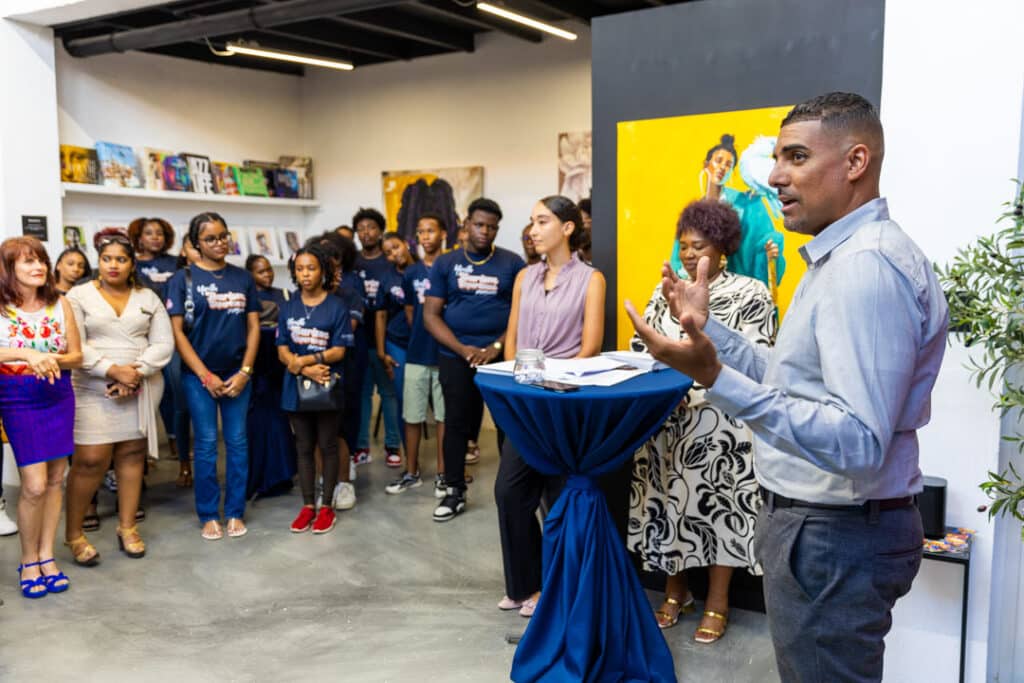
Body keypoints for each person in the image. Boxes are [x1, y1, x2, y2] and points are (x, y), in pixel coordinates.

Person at [626, 92, 949, 682]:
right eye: (777, 158)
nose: (775, 176)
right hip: (830, 531)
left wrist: (714, 377)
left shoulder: (864, 269)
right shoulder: (842, 258)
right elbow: (794, 379)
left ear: (855, 162)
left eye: (796, 157)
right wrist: (713, 331)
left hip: (835, 535)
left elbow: (855, 440)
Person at [627, 199, 776, 641]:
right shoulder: (664, 290)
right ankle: (676, 591)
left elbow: (759, 360)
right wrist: (660, 392)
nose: (690, 254)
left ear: (723, 247)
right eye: (684, 245)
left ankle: (717, 601)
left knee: (721, 512)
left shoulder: (751, 293)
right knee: (667, 506)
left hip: (723, 424)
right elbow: (644, 350)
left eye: (699, 245)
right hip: (666, 420)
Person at [497, 195, 605, 617]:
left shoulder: (591, 279)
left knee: (558, 499)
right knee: (508, 493)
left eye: (542, 221)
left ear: (568, 228)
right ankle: (522, 584)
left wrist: (551, 380)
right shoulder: (525, 276)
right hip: (522, 401)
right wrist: (512, 378)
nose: (533, 229)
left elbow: (591, 346)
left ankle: (553, 587)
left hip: (562, 402)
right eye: (531, 222)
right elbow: (512, 336)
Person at [64, 229, 173, 565]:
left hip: (141, 383)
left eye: (121, 259)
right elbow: (75, 346)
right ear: (98, 262)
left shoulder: (148, 297)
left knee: (132, 456)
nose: (113, 265)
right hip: (93, 386)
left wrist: (135, 373)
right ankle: (73, 534)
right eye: (107, 259)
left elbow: (164, 343)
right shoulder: (78, 296)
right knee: (90, 460)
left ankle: (127, 527)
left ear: (131, 263)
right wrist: (114, 371)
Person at [424, 198, 525, 522]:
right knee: (456, 424)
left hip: (499, 358)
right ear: (467, 224)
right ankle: (454, 490)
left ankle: (513, 493)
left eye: (492, 227)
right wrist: (462, 349)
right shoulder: (446, 263)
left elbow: (520, 314)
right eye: (480, 225)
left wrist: (496, 346)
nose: (485, 232)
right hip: (456, 358)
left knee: (506, 424)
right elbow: (431, 315)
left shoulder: (512, 263)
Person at [166, 212, 260, 541]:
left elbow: (253, 326)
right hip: (198, 376)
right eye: (210, 238)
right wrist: (205, 375)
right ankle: (209, 514)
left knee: (237, 443)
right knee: (205, 445)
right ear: (196, 244)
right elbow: (177, 333)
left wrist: (246, 372)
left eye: (223, 236)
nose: (219, 243)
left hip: (237, 374)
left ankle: (234, 511)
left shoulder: (242, 277)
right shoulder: (183, 279)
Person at [0, 237, 83, 598]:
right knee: (32, 485)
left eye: (41, 261)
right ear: (9, 269)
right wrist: (28, 353)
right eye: (27, 262)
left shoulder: (59, 303)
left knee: (54, 481)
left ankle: (47, 556)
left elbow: (76, 356)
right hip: (17, 397)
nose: (38, 268)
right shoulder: (2, 307)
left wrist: (51, 360)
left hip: (58, 394)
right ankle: (28, 559)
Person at [278, 245, 354, 534]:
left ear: (323, 271)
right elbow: (281, 349)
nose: (305, 274)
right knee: (303, 447)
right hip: (296, 388)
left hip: (327, 387)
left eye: (311, 268)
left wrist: (307, 361)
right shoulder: (289, 305)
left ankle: (327, 508)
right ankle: (308, 505)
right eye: (300, 269)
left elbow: (339, 350)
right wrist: (302, 367)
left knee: (328, 445)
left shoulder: (336, 307)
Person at [669, 134, 786, 291]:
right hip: (700, 292)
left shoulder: (747, 204)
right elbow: (678, 260)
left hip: (737, 294)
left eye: (728, 165)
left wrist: (768, 253)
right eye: (718, 161)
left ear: (732, 172)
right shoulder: (692, 213)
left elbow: (764, 242)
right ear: (706, 165)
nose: (722, 168)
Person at [386, 214, 448, 496]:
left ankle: (444, 474)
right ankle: (411, 472)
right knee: (411, 416)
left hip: (446, 353)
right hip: (417, 353)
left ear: (442, 233)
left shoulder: (450, 266)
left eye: (430, 230)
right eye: (421, 231)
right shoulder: (411, 273)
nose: (425, 236)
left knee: (444, 418)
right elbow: (411, 313)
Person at [308, 231, 361, 509]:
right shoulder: (301, 298)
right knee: (316, 434)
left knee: (337, 432)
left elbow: (341, 335)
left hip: (340, 372)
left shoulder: (348, 296)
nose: (333, 269)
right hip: (308, 374)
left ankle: (343, 484)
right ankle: (323, 483)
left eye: (336, 264)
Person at [128, 217, 184, 469]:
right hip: (141, 336)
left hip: (171, 334)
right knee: (145, 392)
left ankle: (176, 443)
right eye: (149, 233)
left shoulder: (175, 263)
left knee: (174, 389)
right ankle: (144, 450)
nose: (155, 237)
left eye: (159, 233)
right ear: (139, 237)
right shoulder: (132, 264)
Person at [352, 208, 402, 467]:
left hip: (388, 339)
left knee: (388, 394)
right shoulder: (353, 263)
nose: (366, 232)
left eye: (371, 227)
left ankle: (393, 446)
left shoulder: (390, 262)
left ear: (380, 230)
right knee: (362, 395)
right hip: (359, 340)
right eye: (360, 228)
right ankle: (361, 446)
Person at [244, 254, 296, 498]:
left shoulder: (285, 295)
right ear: (250, 274)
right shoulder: (247, 297)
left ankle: (282, 474)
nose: (267, 274)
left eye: (268, 270)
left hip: (279, 366)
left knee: (281, 419)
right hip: (257, 368)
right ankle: (260, 476)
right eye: (261, 271)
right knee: (259, 422)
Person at [376, 231, 415, 467]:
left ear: (406, 244)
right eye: (388, 252)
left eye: (396, 247)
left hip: (424, 345)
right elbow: (380, 316)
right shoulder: (386, 278)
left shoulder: (424, 271)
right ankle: (409, 457)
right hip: (397, 343)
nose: (394, 254)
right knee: (403, 399)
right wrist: (382, 351)